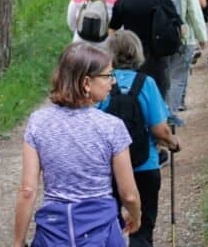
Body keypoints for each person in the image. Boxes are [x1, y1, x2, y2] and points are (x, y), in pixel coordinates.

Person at [13, 42, 141, 247]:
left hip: (54, 233)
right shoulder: (112, 127)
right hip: (101, 232)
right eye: (107, 75)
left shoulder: (38, 122)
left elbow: (28, 190)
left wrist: (18, 242)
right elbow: (129, 194)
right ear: (86, 83)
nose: (113, 82)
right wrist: (136, 215)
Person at [97, 31, 180, 247]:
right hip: (145, 165)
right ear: (137, 53)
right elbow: (160, 130)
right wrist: (173, 143)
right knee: (143, 228)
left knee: (108, 226)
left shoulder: (103, 85)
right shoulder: (147, 83)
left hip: (110, 168)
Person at [109, 0, 173, 98]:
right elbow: (177, 27)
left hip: (130, 55)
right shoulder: (162, 0)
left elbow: (112, 30)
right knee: (158, 93)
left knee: (134, 93)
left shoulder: (123, 1)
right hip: (157, 54)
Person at [155, 0, 207, 118]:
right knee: (178, 77)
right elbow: (195, 14)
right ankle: (172, 113)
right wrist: (202, 38)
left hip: (159, 39)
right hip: (183, 38)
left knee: (163, 76)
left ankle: (161, 113)